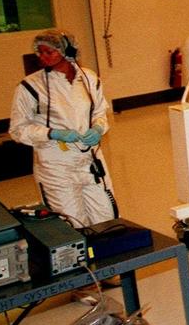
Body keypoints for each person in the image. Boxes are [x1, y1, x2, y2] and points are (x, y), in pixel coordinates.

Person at [9, 29, 118, 228]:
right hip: (56, 166)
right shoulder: (30, 86)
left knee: (106, 218)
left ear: (67, 51)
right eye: (39, 52)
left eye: (49, 52)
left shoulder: (88, 78)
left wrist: (98, 128)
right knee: (72, 222)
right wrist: (52, 133)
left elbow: (100, 111)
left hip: (90, 161)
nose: (42, 57)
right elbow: (18, 129)